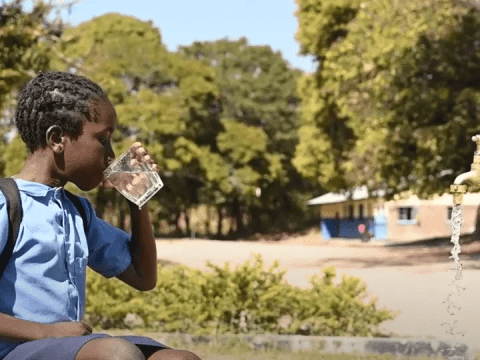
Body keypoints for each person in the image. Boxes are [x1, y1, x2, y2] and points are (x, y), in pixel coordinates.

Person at [0, 71, 201, 360]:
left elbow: (143, 277)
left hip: (61, 347)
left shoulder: (78, 212)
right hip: (15, 350)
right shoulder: (7, 203)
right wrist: (48, 332)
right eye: (103, 140)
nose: (111, 154)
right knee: (117, 354)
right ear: (58, 138)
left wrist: (138, 202)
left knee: (179, 359)